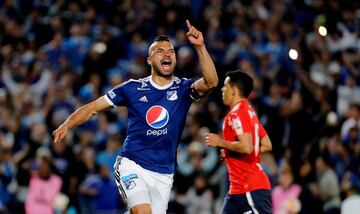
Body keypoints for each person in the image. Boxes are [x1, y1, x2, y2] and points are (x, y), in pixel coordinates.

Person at [52, 19, 218, 214]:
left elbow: (211, 82)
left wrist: (200, 47)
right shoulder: (132, 88)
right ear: (149, 60)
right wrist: (67, 124)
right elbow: (93, 108)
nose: (167, 54)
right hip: (133, 164)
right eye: (160, 51)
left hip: (164, 173)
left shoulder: (183, 88)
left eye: (171, 51)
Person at [205, 70, 272, 214]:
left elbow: (247, 147)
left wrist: (221, 143)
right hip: (237, 189)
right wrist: (231, 150)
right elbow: (266, 144)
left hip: (249, 186)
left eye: (225, 86)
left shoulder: (236, 114)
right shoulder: (250, 112)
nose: (222, 89)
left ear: (234, 91)